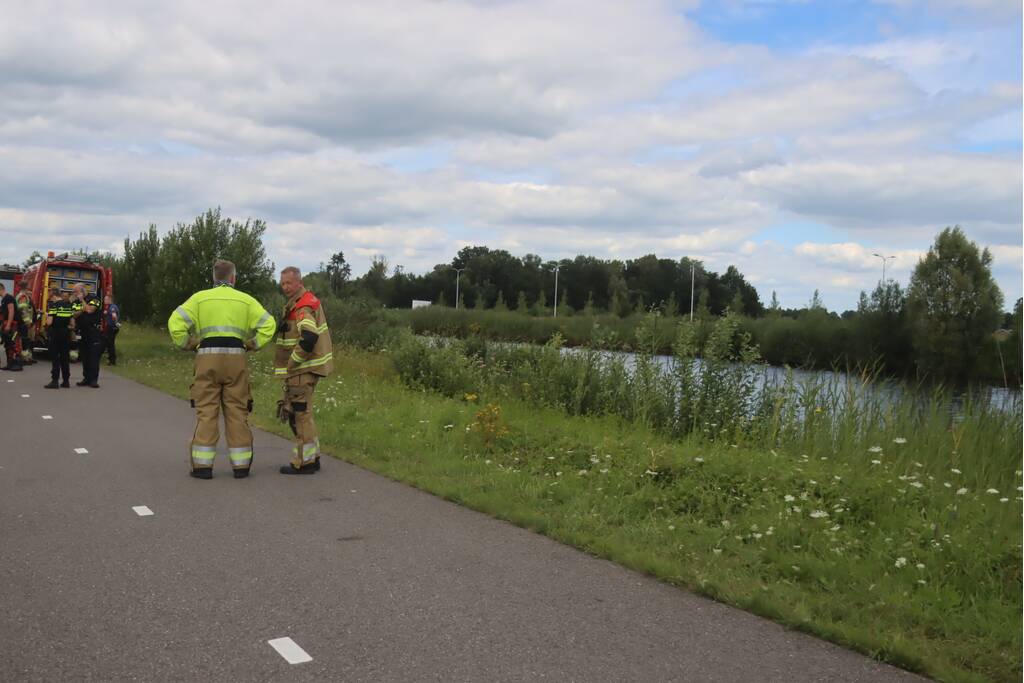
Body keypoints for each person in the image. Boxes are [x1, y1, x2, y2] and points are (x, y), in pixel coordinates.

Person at [168, 259, 275, 479]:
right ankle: (241, 466)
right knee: (237, 410)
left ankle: (202, 467)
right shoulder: (246, 301)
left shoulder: (199, 299)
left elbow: (175, 322)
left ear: (213, 278)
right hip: (236, 358)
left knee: (207, 411)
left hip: (207, 357)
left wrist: (186, 343)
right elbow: (269, 324)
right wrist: (253, 343)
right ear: (233, 278)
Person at [274, 266, 333, 475]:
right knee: (305, 414)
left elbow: (309, 336)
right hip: (308, 370)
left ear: (299, 282)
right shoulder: (304, 301)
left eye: (289, 283)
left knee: (299, 415)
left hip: (302, 371)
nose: (285, 287)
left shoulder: (302, 307)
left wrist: (292, 363)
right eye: (282, 283)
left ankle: (304, 462)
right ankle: (312, 457)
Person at [72, 284, 102, 387]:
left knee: (93, 356)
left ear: (82, 291)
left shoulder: (94, 298)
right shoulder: (75, 302)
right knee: (84, 356)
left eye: (76, 292)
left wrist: (83, 302)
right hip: (82, 332)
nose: (75, 294)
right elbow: (74, 314)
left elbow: (90, 310)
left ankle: (93, 380)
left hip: (93, 331)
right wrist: (82, 309)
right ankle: (86, 378)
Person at [43, 289, 72, 389]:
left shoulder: (53, 306)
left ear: (54, 295)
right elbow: (72, 323)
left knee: (55, 358)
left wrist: (47, 316)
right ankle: (66, 381)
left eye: (50, 296)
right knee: (65, 358)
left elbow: (49, 322)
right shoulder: (68, 306)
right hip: (65, 334)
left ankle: (55, 381)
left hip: (55, 334)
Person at [0, 283, 21, 371]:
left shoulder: (8, 298)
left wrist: (8, 325)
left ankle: (17, 364)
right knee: (8, 344)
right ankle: (10, 364)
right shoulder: (4, 299)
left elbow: (11, 311)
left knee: (13, 344)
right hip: (7, 324)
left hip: (13, 325)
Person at [15, 282, 36, 365]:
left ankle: (26, 357)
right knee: (24, 340)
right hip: (23, 322)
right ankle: (24, 358)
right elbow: (23, 310)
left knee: (26, 340)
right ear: (27, 286)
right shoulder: (23, 296)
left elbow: (27, 309)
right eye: (29, 285)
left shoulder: (23, 295)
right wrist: (27, 322)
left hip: (24, 321)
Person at [102, 293, 120, 365]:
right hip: (111, 327)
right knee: (109, 343)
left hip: (112, 327)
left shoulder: (112, 307)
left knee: (110, 344)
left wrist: (116, 322)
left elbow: (114, 315)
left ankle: (112, 360)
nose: (104, 300)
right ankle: (111, 359)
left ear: (110, 300)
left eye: (106, 299)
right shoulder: (109, 307)